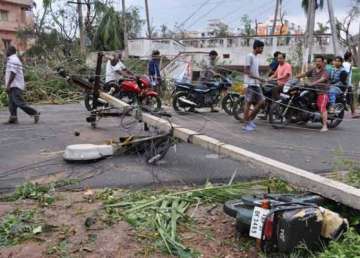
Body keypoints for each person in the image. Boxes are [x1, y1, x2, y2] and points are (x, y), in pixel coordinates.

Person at [4, 45, 40, 124]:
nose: (5, 52)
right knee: (11, 103)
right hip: (13, 85)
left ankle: (34, 113)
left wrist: (8, 85)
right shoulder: (12, 59)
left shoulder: (13, 60)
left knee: (18, 102)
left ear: (10, 51)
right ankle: (13, 118)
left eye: (6, 51)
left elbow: (13, 73)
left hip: (15, 85)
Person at [296, 55, 330, 132]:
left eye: (319, 61)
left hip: (322, 92)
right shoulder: (313, 70)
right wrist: (296, 77)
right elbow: (305, 74)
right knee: (302, 98)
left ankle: (325, 126)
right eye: (316, 61)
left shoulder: (325, 71)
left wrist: (314, 82)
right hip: (313, 90)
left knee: (321, 107)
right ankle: (304, 118)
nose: (317, 63)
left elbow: (323, 78)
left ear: (322, 62)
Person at [242, 40, 266, 132]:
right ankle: (245, 124)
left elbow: (255, 71)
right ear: (256, 47)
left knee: (262, 102)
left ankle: (249, 120)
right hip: (250, 83)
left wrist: (260, 79)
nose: (262, 49)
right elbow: (247, 71)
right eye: (261, 48)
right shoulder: (249, 56)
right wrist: (259, 79)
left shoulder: (256, 57)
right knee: (248, 103)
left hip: (256, 84)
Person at [342, 51, 359, 118]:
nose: (351, 58)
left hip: (343, 84)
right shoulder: (349, 65)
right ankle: (353, 113)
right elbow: (347, 74)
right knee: (351, 98)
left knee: (346, 98)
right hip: (348, 84)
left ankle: (350, 110)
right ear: (349, 57)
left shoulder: (342, 64)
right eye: (351, 57)